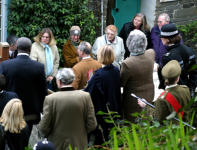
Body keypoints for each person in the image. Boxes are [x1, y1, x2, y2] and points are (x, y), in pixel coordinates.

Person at [39, 68, 97, 150]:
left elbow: (44, 127)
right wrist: (80, 133)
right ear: (73, 80)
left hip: (57, 144)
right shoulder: (85, 96)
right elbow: (92, 124)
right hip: (79, 143)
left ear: (59, 81)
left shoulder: (50, 99)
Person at [0, 37, 47, 133]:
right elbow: (43, 91)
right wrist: (42, 110)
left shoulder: (5, 65)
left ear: (17, 47)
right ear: (30, 49)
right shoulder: (39, 67)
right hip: (30, 112)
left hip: (10, 111)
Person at [85, 45, 121, 144]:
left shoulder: (98, 75)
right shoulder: (116, 71)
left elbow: (88, 92)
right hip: (115, 107)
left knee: (105, 137)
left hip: (104, 110)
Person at [120, 29, 155, 122]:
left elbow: (121, 83)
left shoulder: (127, 63)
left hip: (134, 100)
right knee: (147, 119)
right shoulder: (151, 53)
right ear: (145, 42)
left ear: (129, 43)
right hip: (150, 94)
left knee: (133, 124)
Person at [159, 23, 197, 96]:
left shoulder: (167, 57)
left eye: (162, 37)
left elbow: (171, 79)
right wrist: (191, 88)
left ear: (167, 39)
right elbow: (194, 72)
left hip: (176, 93)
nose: (161, 39)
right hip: (188, 89)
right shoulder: (189, 50)